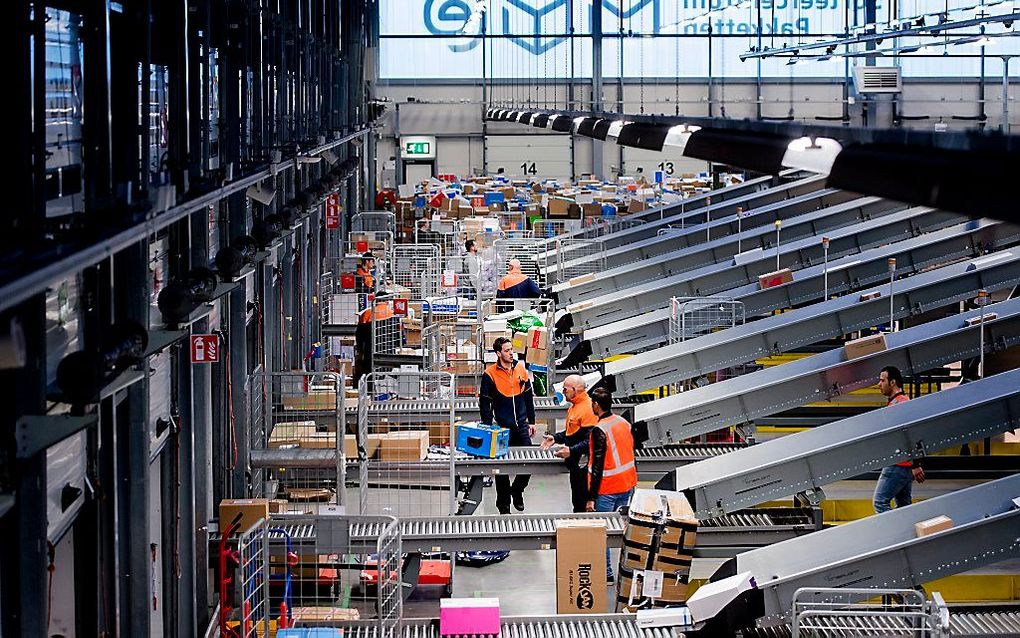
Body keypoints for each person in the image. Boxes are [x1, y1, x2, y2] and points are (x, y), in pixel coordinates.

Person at [585, 388, 637, 583]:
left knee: (603, 532)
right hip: (627, 484)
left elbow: (597, 466)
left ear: (596, 405)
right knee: (625, 531)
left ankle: (606, 573)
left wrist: (590, 497)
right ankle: (627, 571)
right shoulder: (623, 423)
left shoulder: (600, 429)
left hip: (607, 489)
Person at [479, 336, 536, 514]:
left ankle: (517, 490)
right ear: (498, 353)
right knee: (500, 469)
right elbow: (484, 404)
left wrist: (532, 421)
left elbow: (528, 397)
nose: (511, 353)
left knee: (529, 462)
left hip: (521, 424)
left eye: (512, 349)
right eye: (506, 350)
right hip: (501, 427)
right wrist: (488, 426)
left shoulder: (521, 369)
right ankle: (503, 505)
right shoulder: (489, 375)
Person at [540, 375, 598, 512]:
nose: (563, 392)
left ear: (575, 389)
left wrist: (571, 450)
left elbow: (590, 441)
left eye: (565, 389)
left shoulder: (588, 409)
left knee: (582, 505)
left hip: (584, 468)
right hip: (576, 465)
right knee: (577, 502)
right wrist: (555, 438)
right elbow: (572, 433)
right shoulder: (575, 406)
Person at [873, 365, 925, 513]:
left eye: (882, 380)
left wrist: (916, 464)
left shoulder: (900, 405)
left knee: (879, 502)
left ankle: (891, 533)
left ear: (893, 382)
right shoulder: (898, 402)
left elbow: (911, 434)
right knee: (904, 507)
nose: (879, 384)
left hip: (898, 464)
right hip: (904, 464)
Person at [352, 300, 393, 387]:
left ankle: (370, 392)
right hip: (388, 349)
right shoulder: (392, 313)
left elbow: (359, 334)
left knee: (369, 372)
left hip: (370, 348)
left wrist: (360, 349)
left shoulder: (367, 313)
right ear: (387, 302)